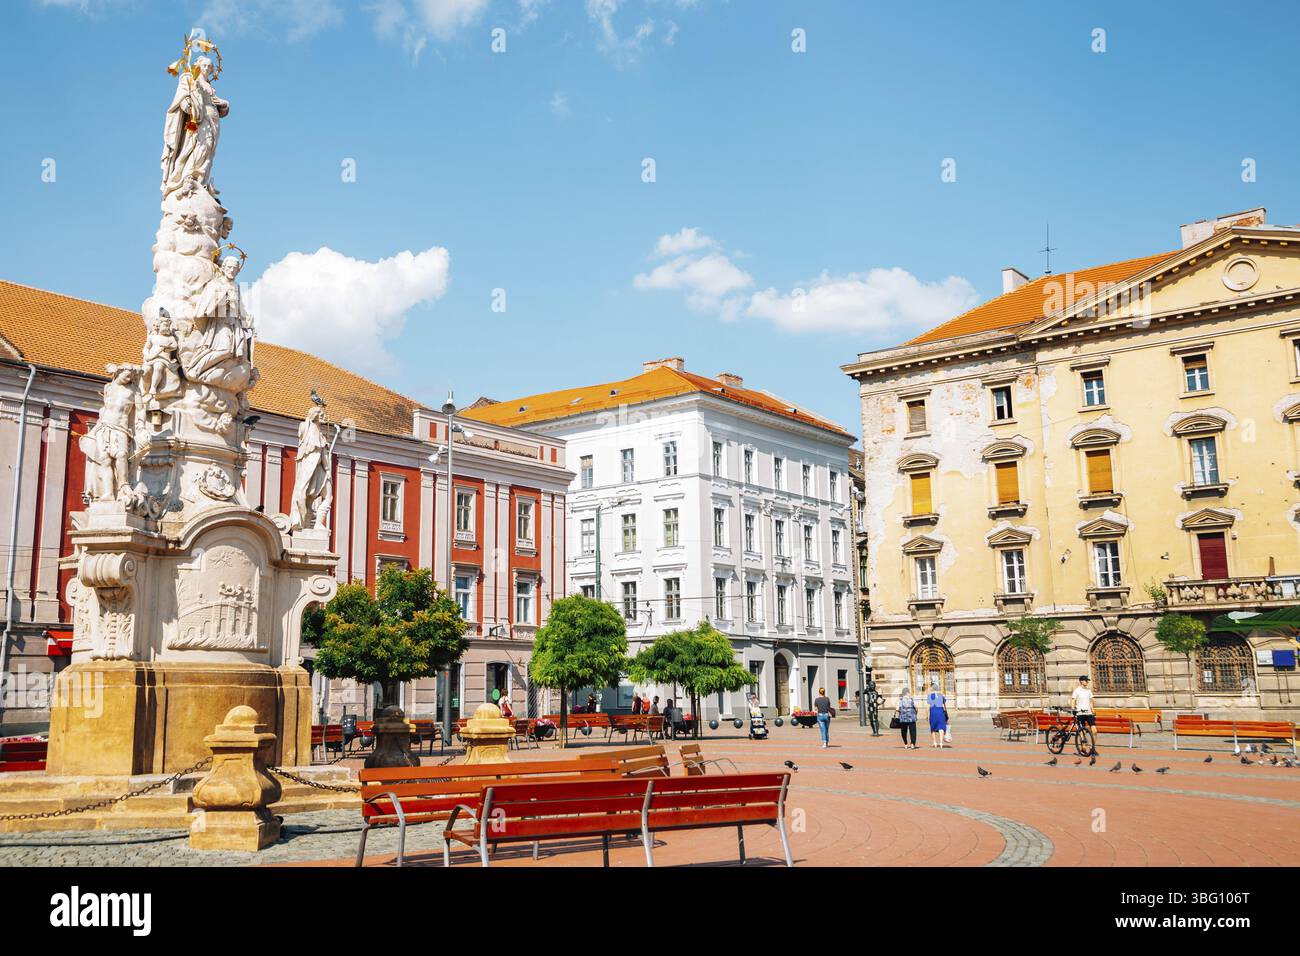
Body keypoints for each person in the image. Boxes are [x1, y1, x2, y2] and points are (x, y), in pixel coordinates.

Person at [1071, 674, 1097, 756]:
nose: (1087, 682)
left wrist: (1092, 709)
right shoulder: (1077, 691)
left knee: (1094, 731)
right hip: (1080, 713)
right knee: (1082, 732)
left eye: (1087, 681)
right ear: (1081, 681)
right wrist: (1073, 708)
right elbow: (1073, 700)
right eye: (1086, 680)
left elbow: (1091, 701)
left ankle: (1093, 748)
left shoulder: (1088, 691)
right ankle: (1083, 748)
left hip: (1089, 713)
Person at [927, 682, 949, 748]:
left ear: (932, 689)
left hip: (933, 713)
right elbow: (945, 706)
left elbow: (927, 708)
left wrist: (927, 716)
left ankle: (935, 742)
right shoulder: (941, 696)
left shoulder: (929, 696)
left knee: (933, 728)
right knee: (941, 727)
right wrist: (946, 714)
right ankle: (941, 743)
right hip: (940, 713)